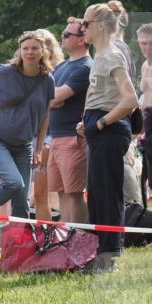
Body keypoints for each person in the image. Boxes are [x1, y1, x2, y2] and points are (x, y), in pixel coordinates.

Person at [78, 3, 140, 269]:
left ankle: (109, 256)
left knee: (107, 194)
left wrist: (102, 122)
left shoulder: (112, 56)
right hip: (97, 129)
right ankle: (98, 252)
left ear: (100, 25)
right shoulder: (100, 56)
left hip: (110, 131)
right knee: (96, 192)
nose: (82, 29)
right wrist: (87, 122)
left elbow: (130, 100)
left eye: (86, 23)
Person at [0, 32, 55, 229]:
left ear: (43, 51)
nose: (30, 52)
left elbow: (45, 117)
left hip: (23, 145)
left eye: (35, 48)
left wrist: (38, 148)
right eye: (25, 48)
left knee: (21, 203)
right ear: (20, 50)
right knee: (14, 183)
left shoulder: (47, 80)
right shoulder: (6, 71)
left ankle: (20, 254)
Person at [47, 19, 92, 225]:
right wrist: (52, 99)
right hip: (56, 136)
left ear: (82, 39)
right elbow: (48, 97)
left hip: (72, 138)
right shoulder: (62, 66)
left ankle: (80, 239)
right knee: (61, 192)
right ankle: (68, 239)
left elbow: (54, 98)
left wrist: (52, 99)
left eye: (67, 35)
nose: (62, 37)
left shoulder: (85, 66)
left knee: (74, 192)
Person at [31, 29, 65, 222]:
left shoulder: (58, 71)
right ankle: (43, 237)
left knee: (48, 194)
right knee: (37, 196)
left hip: (51, 136)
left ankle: (53, 237)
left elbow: (57, 100)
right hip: (33, 136)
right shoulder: (30, 72)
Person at [137, 23, 152, 247]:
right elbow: (144, 99)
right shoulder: (145, 66)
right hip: (150, 126)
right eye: (143, 44)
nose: (148, 48)